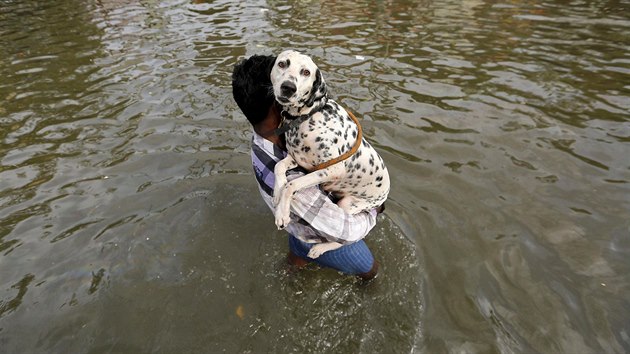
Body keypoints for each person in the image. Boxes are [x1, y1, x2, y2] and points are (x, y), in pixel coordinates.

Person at [231, 54, 381, 280]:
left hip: (295, 223)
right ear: (280, 100)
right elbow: (345, 230)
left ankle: (286, 273)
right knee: (371, 272)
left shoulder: (264, 140)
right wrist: (374, 209)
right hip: (316, 231)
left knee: (294, 262)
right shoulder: (293, 184)